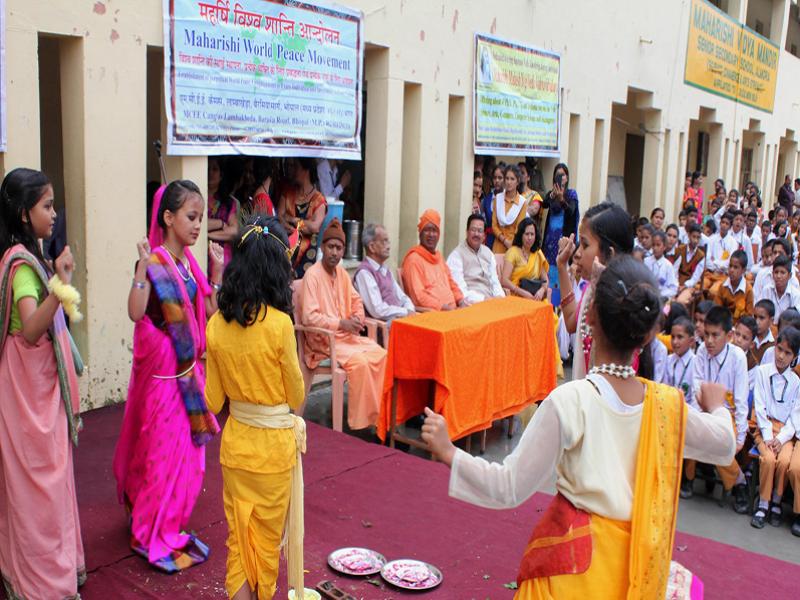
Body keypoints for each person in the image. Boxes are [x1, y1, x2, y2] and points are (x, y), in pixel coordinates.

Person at [420, 255, 735, 599]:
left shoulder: (570, 401)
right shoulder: (666, 408)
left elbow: (508, 486)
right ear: (647, 336)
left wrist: (449, 452)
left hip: (572, 575)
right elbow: (724, 445)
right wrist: (718, 407)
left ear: (590, 319)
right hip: (636, 573)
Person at [114, 180, 224, 572]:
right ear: (168, 218)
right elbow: (135, 311)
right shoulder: (155, 261)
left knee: (191, 462)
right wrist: (141, 268)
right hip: (163, 382)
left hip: (189, 377)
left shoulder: (189, 266)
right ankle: (147, 533)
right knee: (160, 459)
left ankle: (171, 526)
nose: (198, 226)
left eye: (200, 218)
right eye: (192, 217)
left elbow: (211, 314)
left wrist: (217, 272)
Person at [205, 215, 307, 599]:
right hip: (271, 455)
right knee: (264, 549)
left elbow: (214, 401)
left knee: (239, 544)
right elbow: (295, 396)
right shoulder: (280, 324)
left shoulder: (216, 325)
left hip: (236, 451)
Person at [0, 168, 86, 598]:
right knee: (39, 488)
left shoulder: (26, 258)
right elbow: (32, 328)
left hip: (35, 389)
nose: (54, 215)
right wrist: (62, 283)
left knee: (46, 482)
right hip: (27, 394)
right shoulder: (19, 266)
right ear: (22, 213)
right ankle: (42, 584)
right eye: (47, 206)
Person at [299, 219, 387, 430]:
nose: (335, 253)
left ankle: (378, 417)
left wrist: (357, 317)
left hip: (346, 339)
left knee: (381, 355)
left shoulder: (342, 275)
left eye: (339, 248)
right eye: (331, 247)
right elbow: (309, 318)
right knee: (360, 363)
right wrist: (340, 323)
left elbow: (356, 300)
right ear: (322, 247)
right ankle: (361, 423)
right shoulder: (312, 276)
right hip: (323, 343)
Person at [557, 202, 633, 380]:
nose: (577, 253)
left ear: (609, 254)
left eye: (585, 245)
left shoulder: (625, 302)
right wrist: (561, 267)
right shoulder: (591, 289)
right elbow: (570, 322)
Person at [690, 306, 750, 513]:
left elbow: (741, 400)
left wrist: (741, 435)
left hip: (728, 414)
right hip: (703, 408)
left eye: (716, 335)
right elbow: (697, 384)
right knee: (689, 426)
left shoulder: (737, 357)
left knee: (721, 438)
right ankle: (693, 475)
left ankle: (739, 481)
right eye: (706, 334)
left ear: (730, 335)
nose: (709, 340)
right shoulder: (700, 352)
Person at [750, 327, 800, 529]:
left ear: (794, 356)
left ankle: (777, 502)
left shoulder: (796, 382)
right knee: (769, 459)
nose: (781, 356)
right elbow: (760, 407)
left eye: (787, 353)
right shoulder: (763, 372)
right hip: (765, 428)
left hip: (785, 434)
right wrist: (770, 437)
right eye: (779, 349)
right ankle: (763, 504)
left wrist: (780, 440)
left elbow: (795, 416)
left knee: (785, 461)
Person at [401, 209, 466, 311]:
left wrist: (461, 300)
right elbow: (419, 297)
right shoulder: (413, 260)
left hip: (453, 311)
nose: (431, 234)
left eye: (434, 230)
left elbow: (451, 282)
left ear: (438, 234)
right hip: (433, 315)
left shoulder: (439, 258)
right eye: (427, 230)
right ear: (420, 233)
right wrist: (443, 307)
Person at [354, 223, 415, 322]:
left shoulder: (386, 270)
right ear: (372, 247)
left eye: (388, 241)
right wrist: (405, 312)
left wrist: (410, 310)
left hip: (400, 320)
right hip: (383, 327)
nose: (388, 247)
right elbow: (377, 310)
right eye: (384, 241)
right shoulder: (364, 272)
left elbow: (402, 297)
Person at [278, 158, 327, 278]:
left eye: (296, 167)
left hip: (307, 257)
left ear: (306, 170)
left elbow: (314, 227)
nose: (292, 171)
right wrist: (302, 226)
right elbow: (279, 218)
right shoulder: (287, 193)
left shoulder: (319, 200)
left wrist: (292, 220)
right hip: (286, 251)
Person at [541, 163, 580, 305]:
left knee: (561, 272)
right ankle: (549, 305)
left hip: (563, 242)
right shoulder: (551, 194)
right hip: (549, 242)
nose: (561, 177)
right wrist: (554, 194)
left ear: (567, 177)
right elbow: (544, 203)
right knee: (548, 273)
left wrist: (562, 198)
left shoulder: (571, 194)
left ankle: (560, 305)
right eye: (558, 175)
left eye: (563, 175)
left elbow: (571, 211)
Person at [447, 215, 505, 303]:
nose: (476, 234)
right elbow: (459, 290)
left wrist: (500, 297)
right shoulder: (456, 256)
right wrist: (484, 299)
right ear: (467, 232)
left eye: (480, 231)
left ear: (484, 236)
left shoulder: (488, 253)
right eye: (473, 230)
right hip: (472, 304)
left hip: (492, 302)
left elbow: (494, 281)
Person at [501, 217, 549, 301]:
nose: (530, 238)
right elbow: (504, 280)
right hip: (516, 297)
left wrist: (542, 290)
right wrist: (523, 292)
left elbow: (545, 280)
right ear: (521, 235)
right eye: (527, 234)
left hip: (535, 298)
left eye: (532, 234)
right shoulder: (513, 252)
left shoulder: (538, 254)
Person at [208, 157, 242, 271]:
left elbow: (233, 232)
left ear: (221, 175)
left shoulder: (229, 203)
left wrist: (206, 236)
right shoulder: (197, 198)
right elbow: (203, 224)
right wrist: (221, 223)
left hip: (224, 261)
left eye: (214, 169)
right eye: (208, 168)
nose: (210, 173)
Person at [491, 165, 530, 254]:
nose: (509, 182)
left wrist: (511, 243)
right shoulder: (498, 198)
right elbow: (494, 225)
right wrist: (504, 240)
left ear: (518, 181)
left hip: (514, 245)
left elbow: (519, 228)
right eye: (507, 178)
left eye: (512, 179)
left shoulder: (522, 202)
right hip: (498, 243)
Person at [666, 317, 697, 416]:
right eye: (673, 337)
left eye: (680, 337)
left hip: (687, 413)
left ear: (691, 341)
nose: (675, 342)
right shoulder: (668, 360)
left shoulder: (695, 363)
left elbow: (694, 397)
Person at [755, 256, 800, 323]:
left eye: (782, 272)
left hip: (787, 330)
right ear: (772, 274)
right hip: (768, 328)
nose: (778, 276)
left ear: (789, 276)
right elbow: (759, 312)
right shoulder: (767, 290)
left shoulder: (795, 295)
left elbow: (796, 320)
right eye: (776, 272)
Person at [714, 249, 754, 320]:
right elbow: (717, 309)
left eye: (736, 267)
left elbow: (749, 316)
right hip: (723, 323)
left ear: (744, 270)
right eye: (730, 266)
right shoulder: (723, 286)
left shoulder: (748, 290)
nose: (731, 270)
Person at [644, 230, 677, 299]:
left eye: (658, 245)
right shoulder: (646, 261)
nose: (655, 248)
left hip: (661, 299)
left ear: (664, 247)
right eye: (653, 245)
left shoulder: (668, 265)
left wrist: (660, 294)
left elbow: (673, 288)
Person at [673, 223, 705, 292]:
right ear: (689, 235)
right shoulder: (679, 249)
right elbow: (674, 271)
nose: (696, 240)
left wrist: (684, 286)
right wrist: (676, 285)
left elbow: (695, 278)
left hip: (690, 285)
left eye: (698, 237)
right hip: (676, 282)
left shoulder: (701, 256)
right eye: (694, 237)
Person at [481, 164, 506, 249]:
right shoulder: (486, 200)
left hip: (504, 241)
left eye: (500, 178)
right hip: (489, 241)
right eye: (495, 178)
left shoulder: (510, 199)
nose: (497, 181)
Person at [752, 299, 776, 363]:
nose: (757, 322)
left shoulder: (774, 344)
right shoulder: (748, 337)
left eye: (761, 318)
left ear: (771, 321)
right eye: (755, 317)